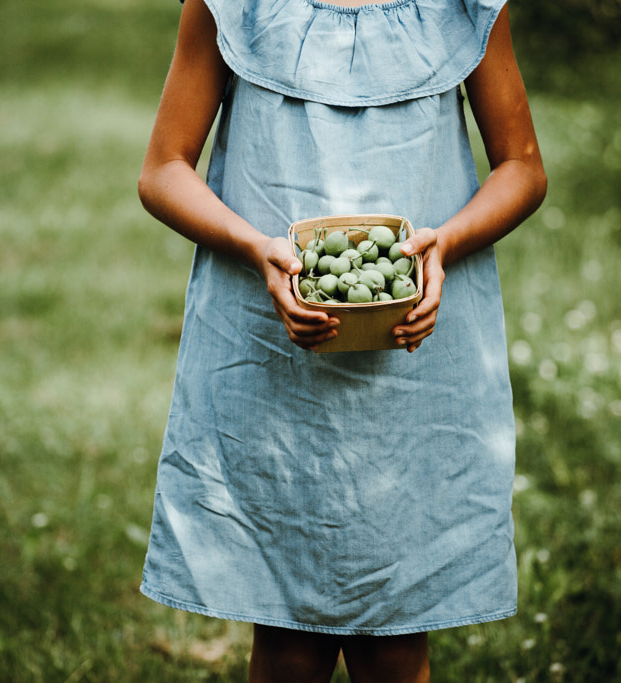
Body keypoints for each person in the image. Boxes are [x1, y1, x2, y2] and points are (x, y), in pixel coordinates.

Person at [137, 0, 546, 680]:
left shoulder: (459, 7)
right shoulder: (234, 6)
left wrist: (443, 243)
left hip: (415, 375)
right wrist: (256, 247)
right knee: (289, 639)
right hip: (274, 364)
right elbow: (162, 170)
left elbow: (523, 168)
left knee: (395, 644)